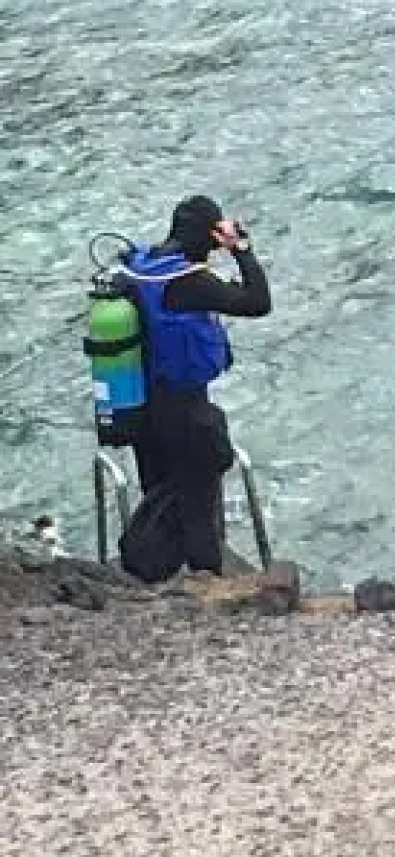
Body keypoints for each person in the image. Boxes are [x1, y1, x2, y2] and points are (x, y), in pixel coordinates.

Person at [118, 195, 271, 581]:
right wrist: (242, 250)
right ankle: (206, 587)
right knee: (198, 508)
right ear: (211, 234)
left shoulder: (143, 266)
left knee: (159, 497)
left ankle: (151, 574)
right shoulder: (191, 283)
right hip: (186, 411)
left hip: (144, 408)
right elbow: (258, 302)